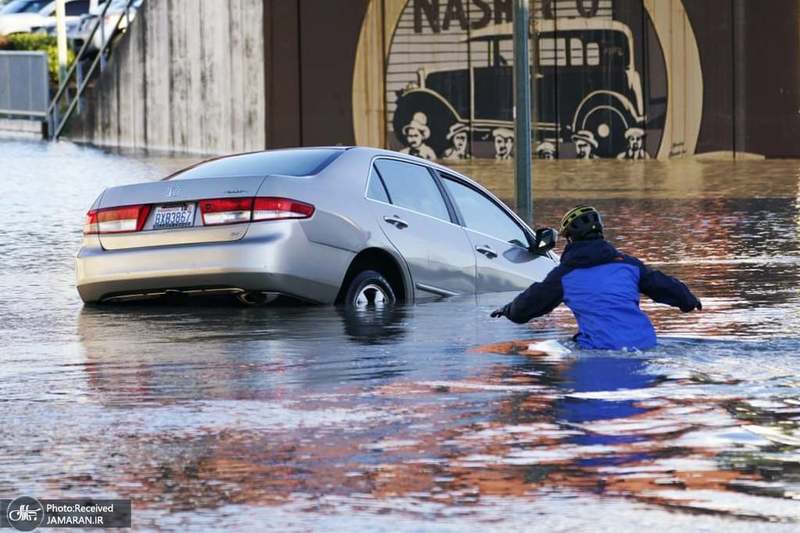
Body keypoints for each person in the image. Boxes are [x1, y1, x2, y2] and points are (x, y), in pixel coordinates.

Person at [491, 205, 701, 350]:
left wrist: (508, 310)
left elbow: (529, 305)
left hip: (599, 350)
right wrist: (688, 300)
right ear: (601, 233)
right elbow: (664, 285)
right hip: (646, 344)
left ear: (571, 239)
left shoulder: (565, 276)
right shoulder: (629, 265)